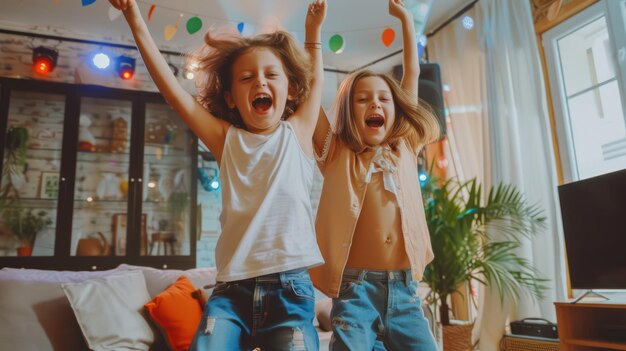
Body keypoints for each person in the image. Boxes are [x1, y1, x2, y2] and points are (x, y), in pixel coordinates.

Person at [108, 0, 327, 349]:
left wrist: (313, 34)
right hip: (231, 293)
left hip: (290, 289)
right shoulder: (226, 140)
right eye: (247, 77)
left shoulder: (298, 132)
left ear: (292, 91)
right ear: (230, 98)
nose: (260, 81)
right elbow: (173, 92)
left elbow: (316, 81)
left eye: (271, 75)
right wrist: (134, 16)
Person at [309, 0, 440, 349]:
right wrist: (313, 34)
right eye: (363, 99)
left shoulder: (405, 148)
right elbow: (310, 92)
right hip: (356, 290)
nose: (375, 105)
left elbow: (411, 75)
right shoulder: (337, 154)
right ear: (349, 112)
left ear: (395, 109)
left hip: (405, 290)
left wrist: (407, 24)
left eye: (383, 98)